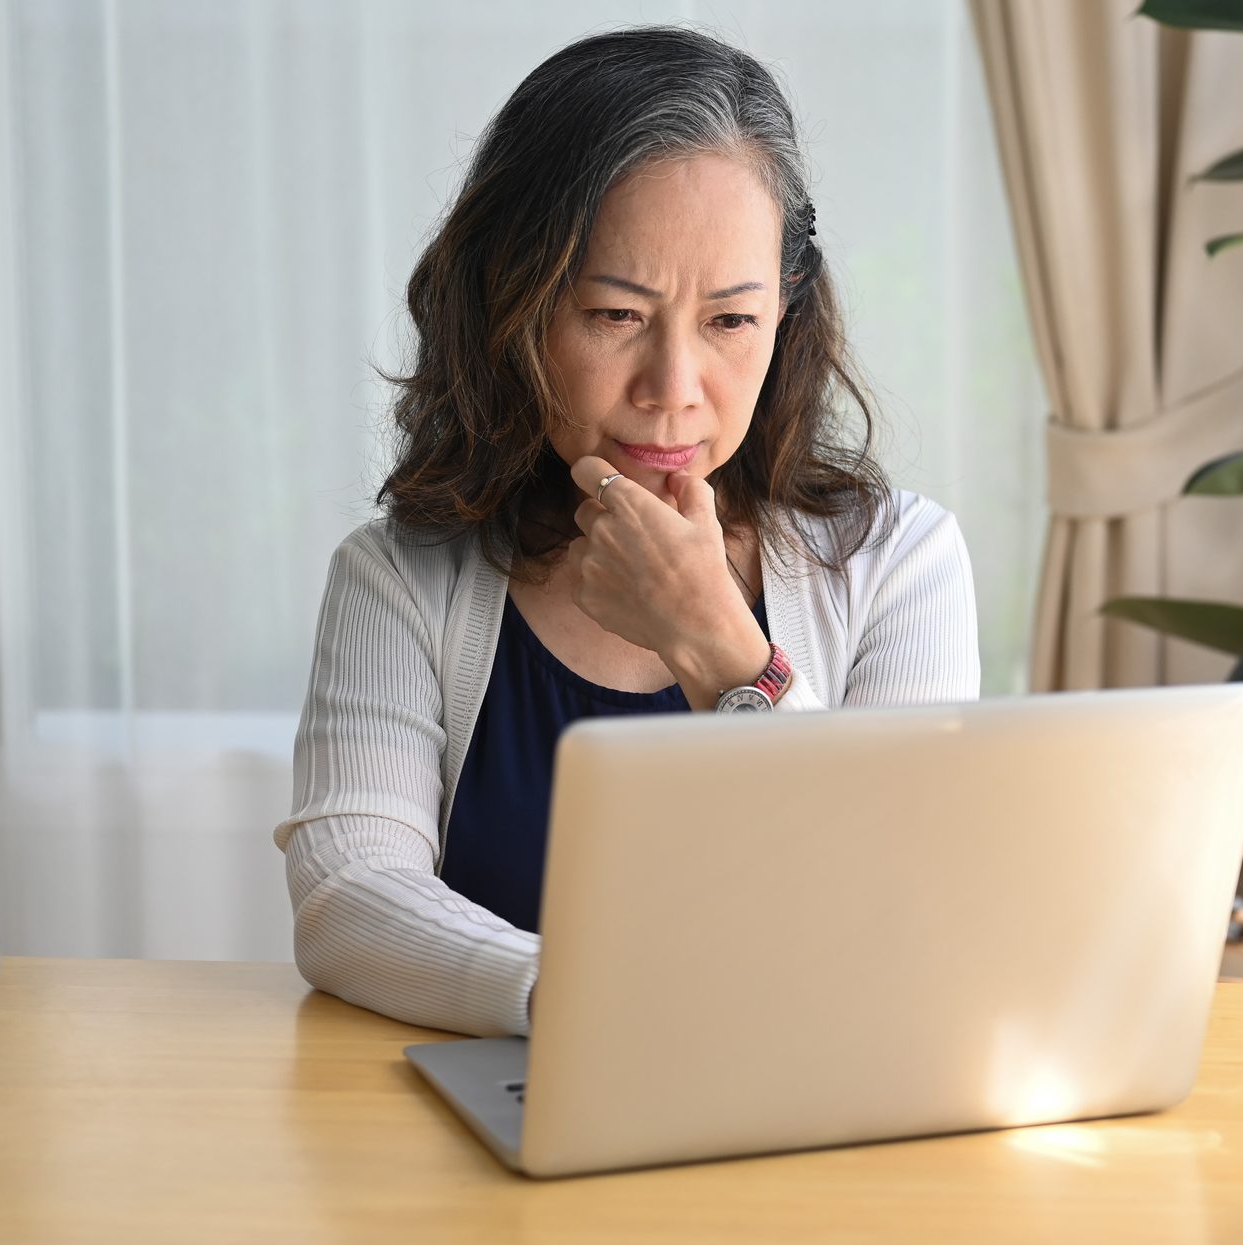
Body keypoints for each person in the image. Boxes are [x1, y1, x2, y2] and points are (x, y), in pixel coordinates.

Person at [272, 25, 980, 1038]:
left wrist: (720, 649)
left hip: (816, 1122)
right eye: (613, 315)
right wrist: (586, 1002)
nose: (673, 391)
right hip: (510, 1111)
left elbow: (902, 910)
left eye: (730, 322)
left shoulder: (894, 563)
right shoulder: (400, 576)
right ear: (510, 308)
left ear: (783, 316)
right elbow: (346, 895)